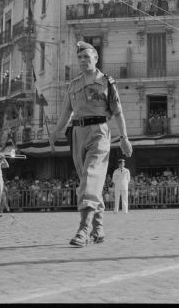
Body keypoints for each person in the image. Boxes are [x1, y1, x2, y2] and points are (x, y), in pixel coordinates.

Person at [49, 41, 133, 247]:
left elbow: (118, 112)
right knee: (88, 182)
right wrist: (55, 133)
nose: (83, 60)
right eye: (80, 57)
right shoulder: (74, 84)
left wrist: (124, 138)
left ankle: (84, 229)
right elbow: (66, 113)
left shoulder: (107, 82)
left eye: (87, 57)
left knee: (90, 177)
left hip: (100, 132)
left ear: (96, 58)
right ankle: (99, 229)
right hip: (77, 134)